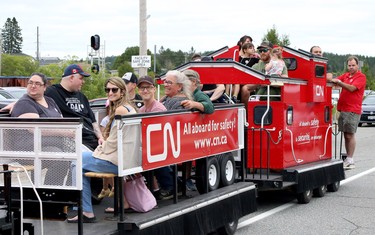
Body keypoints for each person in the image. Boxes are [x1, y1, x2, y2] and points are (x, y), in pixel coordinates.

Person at [67, 77, 137, 223]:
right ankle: (86, 210)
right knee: (80, 163)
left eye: (114, 90)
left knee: (76, 162)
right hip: (127, 158)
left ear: (122, 92)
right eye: (107, 90)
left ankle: (86, 211)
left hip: (119, 160)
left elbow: (112, 142)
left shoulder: (120, 109)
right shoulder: (130, 108)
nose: (110, 93)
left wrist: (98, 150)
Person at [331, 56, 366, 170]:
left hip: (353, 110)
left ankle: (350, 159)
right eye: (349, 65)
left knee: (350, 134)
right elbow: (334, 80)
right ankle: (347, 159)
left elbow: (351, 88)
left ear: (357, 65)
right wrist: (330, 78)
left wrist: (339, 82)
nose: (351, 67)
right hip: (343, 109)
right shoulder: (346, 75)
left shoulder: (361, 77)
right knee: (345, 134)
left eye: (353, 65)